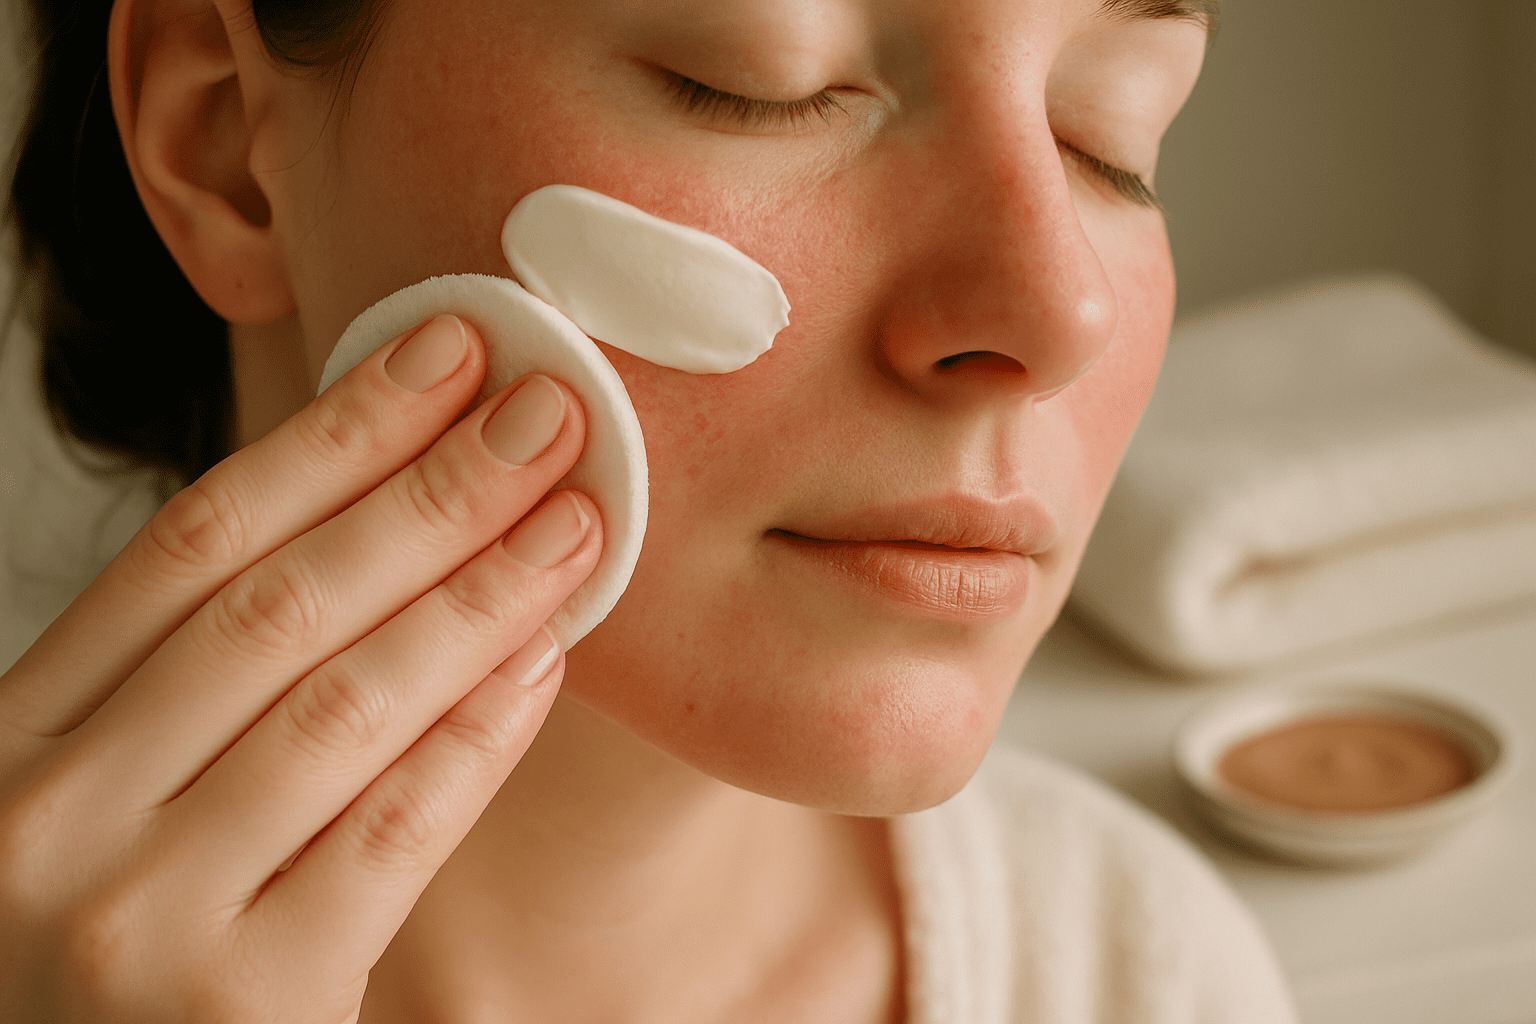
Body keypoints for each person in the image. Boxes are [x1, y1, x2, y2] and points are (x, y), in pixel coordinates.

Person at [0, 0, 1297, 1020]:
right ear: (225, 144)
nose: (1056, 308)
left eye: (1114, 139)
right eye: (757, 79)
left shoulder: (1135, 973)